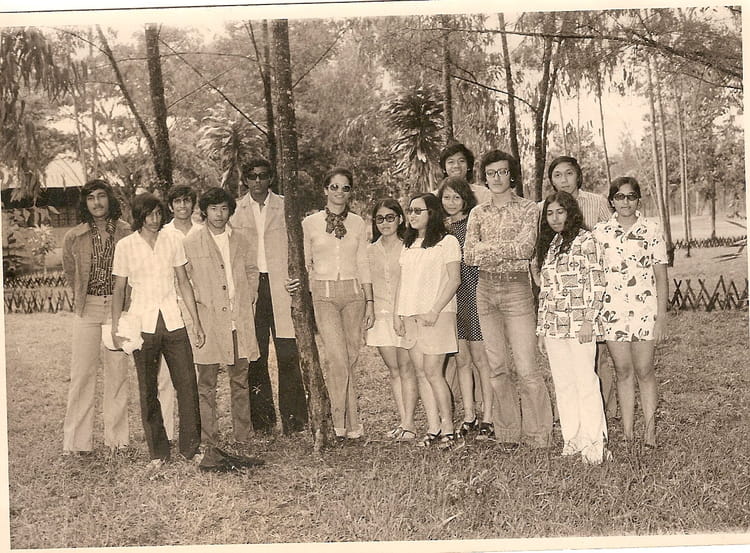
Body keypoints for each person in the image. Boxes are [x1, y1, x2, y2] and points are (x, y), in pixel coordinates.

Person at [464, 150, 553, 449]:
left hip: (516, 289)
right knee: (497, 367)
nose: (497, 178)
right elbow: (469, 255)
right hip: (485, 289)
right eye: (491, 173)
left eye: (502, 172)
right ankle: (507, 433)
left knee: (527, 368)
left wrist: (488, 249)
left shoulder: (528, 209)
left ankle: (539, 435)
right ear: (485, 178)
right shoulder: (477, 213)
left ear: (511, 174)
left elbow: (526, 248)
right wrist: (504, 249)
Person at [111, 193, 205, 468]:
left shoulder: (172, 239)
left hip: (173, 321)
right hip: (142, 324)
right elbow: (119, 289)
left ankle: (190, 448)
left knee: (187, 384)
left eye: (157, 213)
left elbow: (183, 282)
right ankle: (158, 453)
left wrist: (196, 322)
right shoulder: (126, 245)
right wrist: (116, 327)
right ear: (139, 217)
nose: (154, 219)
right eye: (148, 214)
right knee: (148, 388)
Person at [230, 158, 308, 434]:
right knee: (256, 354)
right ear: (245, 180)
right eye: (252, 176)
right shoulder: (235, 211)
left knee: (288, 353)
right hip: (252, 288)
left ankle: (294, 420)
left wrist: (298, 278)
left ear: (271, 178)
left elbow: (299, 246)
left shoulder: (286, 206)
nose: (258, 181)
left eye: (263, 175)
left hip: (282, 286)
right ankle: (263, 422)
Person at [183, 187, 260, 453]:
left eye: (224, 208)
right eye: (214, 208)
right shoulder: (192, 242)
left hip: (238, 319)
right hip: (209, 320)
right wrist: (198, 308)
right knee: (206, 383)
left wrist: (250, 294)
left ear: (230, 211)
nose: (219, 214)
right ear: (205, 211)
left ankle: (243, 435)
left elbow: (252, 270)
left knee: (240, 379)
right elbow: (184, 279)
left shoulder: (241, 239)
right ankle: (209, 439)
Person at [593, 177, 668, 449]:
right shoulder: (600, 232)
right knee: (622, 371)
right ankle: (627, 433)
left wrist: (662, 317)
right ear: (611, 201)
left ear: (638, 200)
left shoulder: (651, 229)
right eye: (620, 196)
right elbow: (595, 275)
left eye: (631, 196)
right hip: (613, 312)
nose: (625, 202)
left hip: (644, 311)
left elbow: (661, 277)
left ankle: (650, 432)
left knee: (644, 370)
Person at [536, 191, 609, 464]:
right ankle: (573, 440)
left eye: (560, 212)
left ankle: (594, 444)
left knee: (585, 382)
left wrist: (589, 320)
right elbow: (545, 291)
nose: (555, 218)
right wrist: (542, 330)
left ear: (571, 212)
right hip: (554, 326)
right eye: (550, 213)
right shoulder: (552, 245)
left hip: (580, 325)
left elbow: (597, 283)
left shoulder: (586, 240)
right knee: (564, 384)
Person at [301, 168, 374, 440]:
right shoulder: (310, 223)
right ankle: (336, 421)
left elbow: (363, 262)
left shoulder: (358, 223)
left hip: (354, 294)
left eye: (345, 187)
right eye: (334, 187)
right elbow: (305, 263)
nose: (339, 192)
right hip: (324, 293)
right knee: (337, 358)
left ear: (350, 192)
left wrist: (370, 300)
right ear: (325, 190)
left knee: (350, 358)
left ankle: (352, 424)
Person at [61, 179, 132, 456]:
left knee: (117, 373)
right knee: (82, 375)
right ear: (85, 203)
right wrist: (84, 296)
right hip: (87, 308)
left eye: (101, 196)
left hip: (117, 308)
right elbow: (70, 272)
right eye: (91, 198)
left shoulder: (126, 231)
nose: (97, 203)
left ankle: (117, 440)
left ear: (109, 199)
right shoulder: (74, 236)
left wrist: (123, 307)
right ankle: (78, 443)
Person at [546, 155, 617, 419]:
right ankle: (573, 416)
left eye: (569, 173)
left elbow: (612, 241)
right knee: (568, 365)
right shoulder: (548, 207)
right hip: (562, 303)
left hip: (594, 291)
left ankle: (604, 411)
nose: (564, 180)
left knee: (598, 356)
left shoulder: (596, 203)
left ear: (578, 175)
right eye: (557, 175)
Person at [393, 193, 461, 448]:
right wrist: (398, 315)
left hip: (437, 315)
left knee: (433, 371)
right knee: (421, 372)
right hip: (411, 315)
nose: (411, 215)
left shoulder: (447, 242)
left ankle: (448, 429)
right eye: (410, 210)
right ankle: (433, 428)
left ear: (431, 213)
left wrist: (434, 310)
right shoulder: (408, 244)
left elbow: (454, 280)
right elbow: (402, 282)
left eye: (417, 211)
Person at [437, 176, 495, 440]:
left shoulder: (474, 223)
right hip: (451, 300)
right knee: (461, 359)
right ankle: (469, 415)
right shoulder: (439, 229)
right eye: (446, 197)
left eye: (456, 197)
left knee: (481, 359)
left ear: (466, 199)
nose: (451, 202)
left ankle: (488, 416)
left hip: (473, 293)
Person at [366, 198, 416, 441]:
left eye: (389, 217)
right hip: (381, 316)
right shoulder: (369, 250)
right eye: (379, 219)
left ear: (400, 219)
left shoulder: (409, 247)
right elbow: (367, 282)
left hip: (404, 314)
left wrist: (401, 314)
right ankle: (403, 421)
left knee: (406, 368)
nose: (385, 223)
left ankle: (410, 424)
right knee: (394, 369)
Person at [158, 184, 202, 443]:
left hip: (199, 305)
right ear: (170, 205)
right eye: (177, 201)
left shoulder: (202, 230)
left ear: (193, 204)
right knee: (166, 375)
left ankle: (197, 430)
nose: (182, 206)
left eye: (187, 201)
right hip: (169, 307)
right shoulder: (163, 233)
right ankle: (165, 430)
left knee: (195, 371)